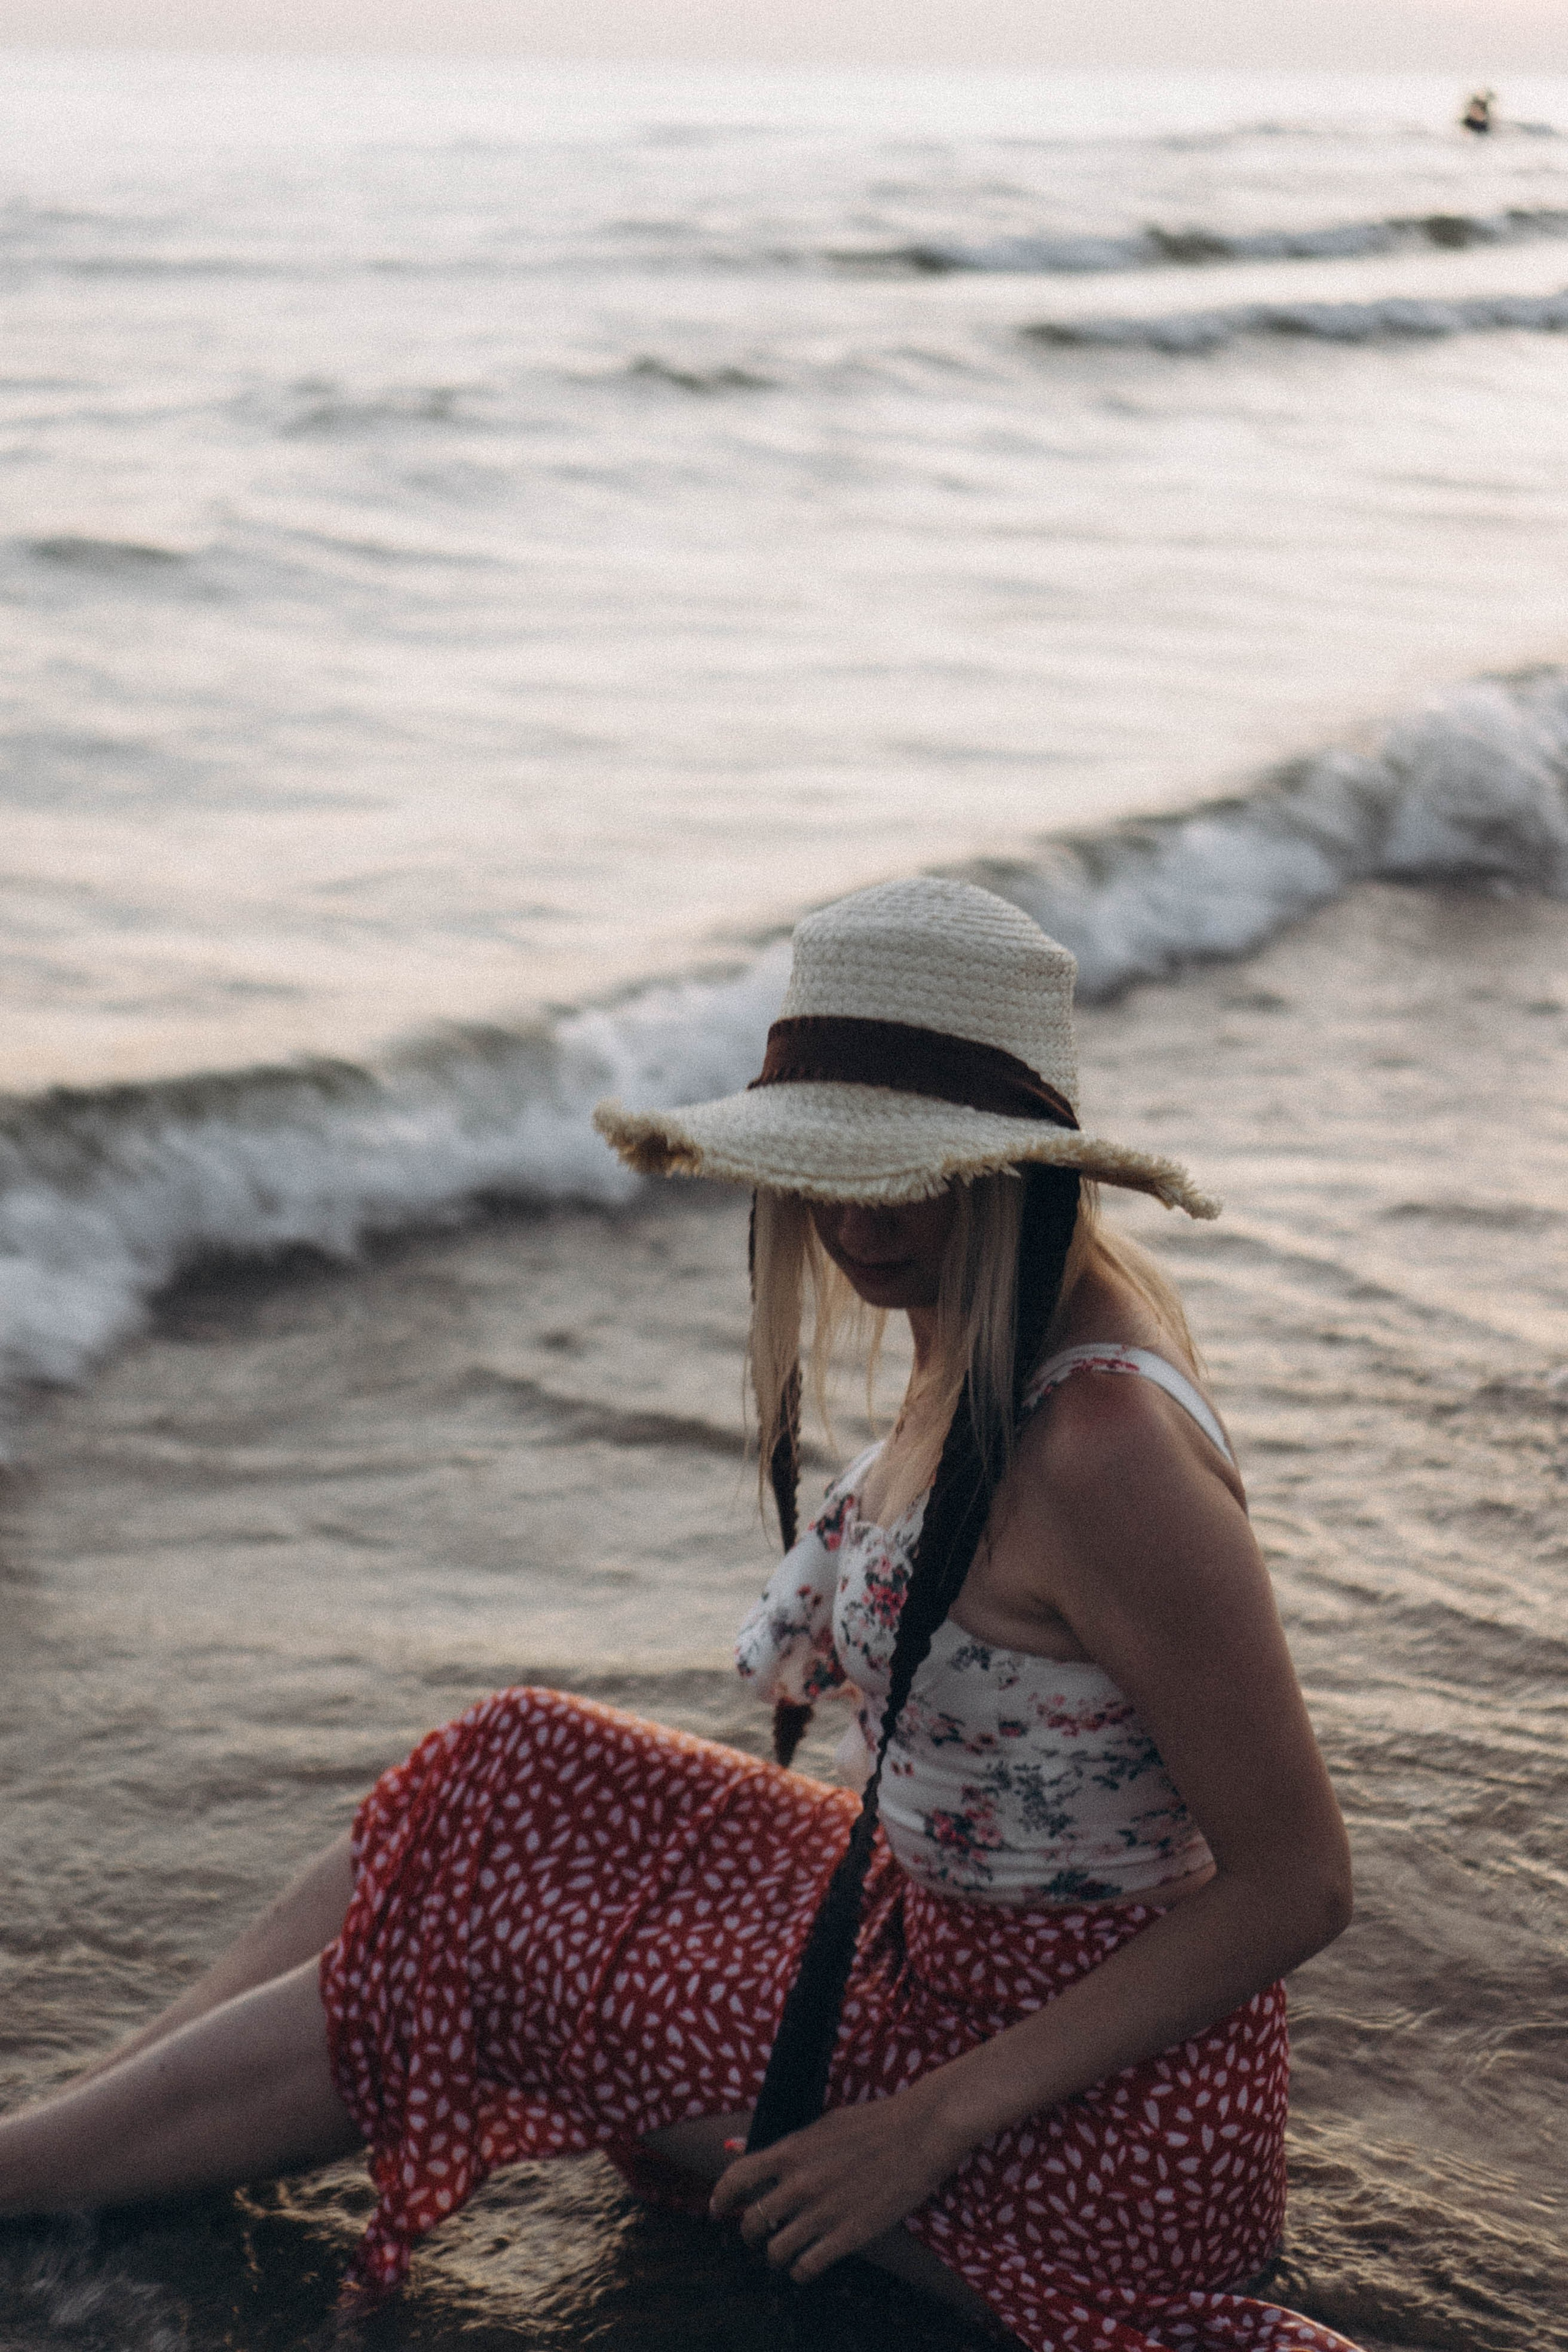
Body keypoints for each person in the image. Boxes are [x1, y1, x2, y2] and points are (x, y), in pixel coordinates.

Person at [0, 879, 1360, 2352]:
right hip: (922, 1947)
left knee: (481, 1945)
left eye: (908, 1172)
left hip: (1087, 2134)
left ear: (1015, 1170)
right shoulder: (991, 1318)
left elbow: (1296, 1882)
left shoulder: (1100, 1448)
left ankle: (31, 2173)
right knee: (510, 1760)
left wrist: (921, 2125)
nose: (854, 1219)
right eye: (826, 1165)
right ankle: (77, 2132)